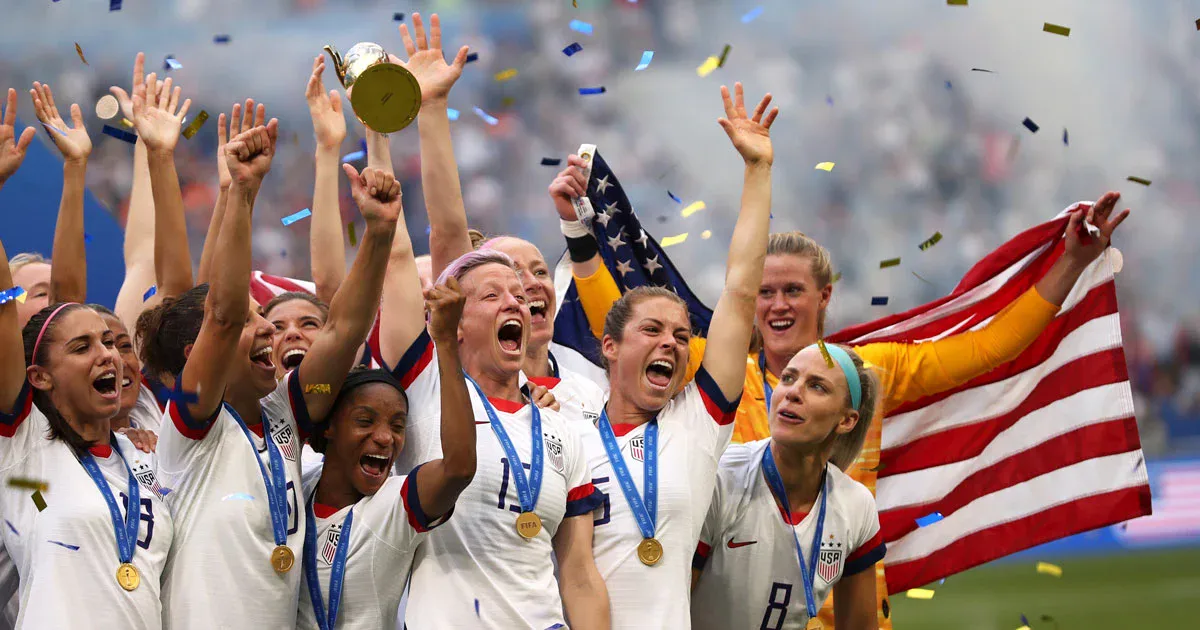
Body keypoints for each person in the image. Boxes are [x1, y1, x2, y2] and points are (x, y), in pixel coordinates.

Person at [561, 160, 1130, 630]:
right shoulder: (718, 374)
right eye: (765, 292)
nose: (777, 305)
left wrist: (1073, 263)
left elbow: (992, 347)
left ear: (825, 295)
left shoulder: (870, 371)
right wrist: (582, 242)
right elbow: (625, 329)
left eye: (793, 291)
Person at [140, 97, 400, 627]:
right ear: (197, 358)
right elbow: (223, 315)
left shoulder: (286, 417)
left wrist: (377, 233)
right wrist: (242, 194)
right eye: (255, 320)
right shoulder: (191, 426)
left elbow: (345, 328)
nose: (268, 330)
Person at [573, 82, 775, 628]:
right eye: (653, 330)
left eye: (682, 336)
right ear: (609, 347)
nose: (671, 343)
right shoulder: (565, 432)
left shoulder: (696, 425)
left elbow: (738, 293)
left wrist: (757, 172)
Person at [379, 245, 608, 626]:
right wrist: (384, 216)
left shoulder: (560, 428)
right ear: (455, 324)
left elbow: (579, 575)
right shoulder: (426, 387)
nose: (515, 303)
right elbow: (398, 257)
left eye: (518, 296)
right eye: (491, 295)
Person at [394, 13, 606, 419]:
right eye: (499, 286)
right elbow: (448, 232)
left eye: (539, 273)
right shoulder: (448, 375)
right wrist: (433, 108)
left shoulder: (593, 386)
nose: (525, 289)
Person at [298, 278, 476, 630]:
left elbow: (458, 468)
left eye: (397, 426)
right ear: (330, 427)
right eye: (365, 421)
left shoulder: (396, 505)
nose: (384, 438)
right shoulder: (295, 492)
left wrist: (445, 344)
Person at [0, 274, 173, 626]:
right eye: (82, 347)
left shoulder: (146, 455)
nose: (107, 355)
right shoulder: (25, 445)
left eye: (108, 342)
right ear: (39, 377)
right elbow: (3, 304)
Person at [691, 344, 885, 630]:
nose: (792, 392)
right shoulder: (721, 478)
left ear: (846, 420)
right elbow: (667, 608)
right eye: (788, 378)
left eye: (817, 386)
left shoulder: (856, 505)